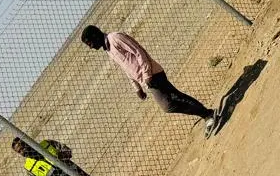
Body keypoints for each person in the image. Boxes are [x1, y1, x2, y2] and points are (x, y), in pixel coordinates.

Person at [80, 24, 218, 134]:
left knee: (169, 104)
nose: (90, 47)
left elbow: (138, 51)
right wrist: (137, 87)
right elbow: (127, 67)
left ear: (95, 36)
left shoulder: (115, 38)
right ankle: (207, 114)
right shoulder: (108, 50)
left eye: (89, 43)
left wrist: (147, 75)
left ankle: (207, 114)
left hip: (153, 75)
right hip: (147, 80)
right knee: (173, 99)